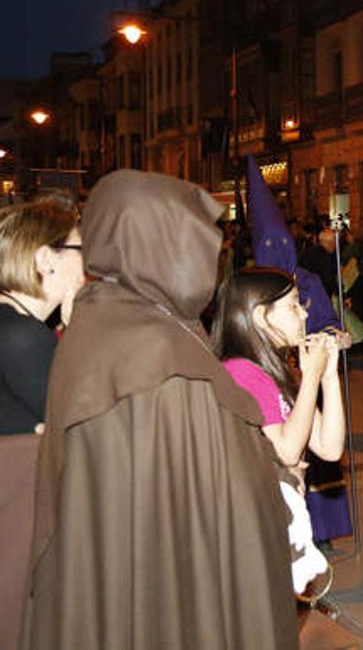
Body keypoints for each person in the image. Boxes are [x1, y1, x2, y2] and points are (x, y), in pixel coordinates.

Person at [23, 170, 296, 649]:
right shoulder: (160, 351)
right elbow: (224, 484)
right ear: (160, 246)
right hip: (173, 575)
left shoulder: (100, 319)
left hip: (123, 571)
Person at [214, 266, 347, 594]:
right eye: (292, 306)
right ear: (261, 316)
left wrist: (328, 378)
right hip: (255, 522)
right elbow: (286, 450)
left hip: (282, 517)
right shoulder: (242, 373)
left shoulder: (274, 372)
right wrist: (311, 378)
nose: (303, 313)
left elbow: (329, 448)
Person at [245, 154, 353, 548]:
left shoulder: (306, 279)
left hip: (303, 366)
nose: (299, 309)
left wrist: (329, 347)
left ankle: (318, 531)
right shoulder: (246, 368)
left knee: (318, 456)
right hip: (287, 378)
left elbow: (327, 321)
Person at [0, 197, 84, 435]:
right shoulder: (24, 338)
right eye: (79, 249)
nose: (87, 261)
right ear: (46, 260)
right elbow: (83, 424)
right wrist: (78, 332)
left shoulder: (11, 324)